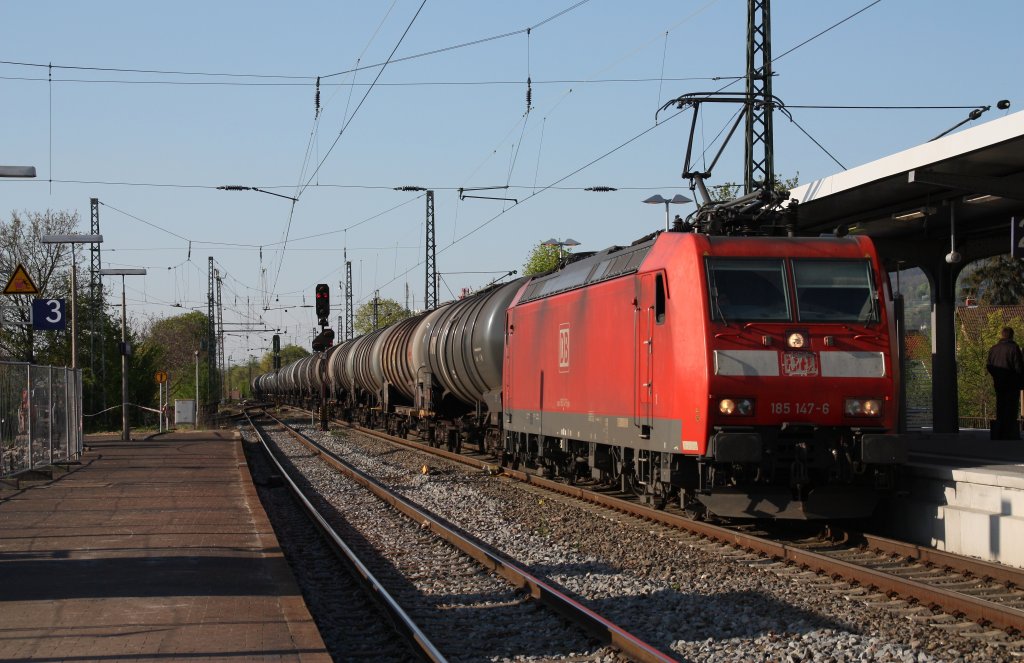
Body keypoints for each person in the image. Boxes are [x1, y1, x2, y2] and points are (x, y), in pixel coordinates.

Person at [986, 326, 1024, 440]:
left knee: (1000, 406)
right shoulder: (1014, 348)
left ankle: (1000, 432)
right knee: (1011, 407)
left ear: (1002, 335)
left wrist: (997, 376)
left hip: (999, 383)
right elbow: (1019, 367)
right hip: (1012, 384)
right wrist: (1019, 380)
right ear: (1012, 335)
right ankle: (1009, 432)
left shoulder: (994, 349)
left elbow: (989, 365)